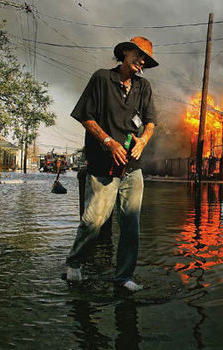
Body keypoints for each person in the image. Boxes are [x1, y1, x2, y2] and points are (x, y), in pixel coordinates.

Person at [65, 36, 158, 291]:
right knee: (94, 220)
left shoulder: (144, 87)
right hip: (103, 165)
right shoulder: (102, 78)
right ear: (125, 52)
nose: (142, 62)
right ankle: (74, 262)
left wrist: (143, 141)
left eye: (147, 60)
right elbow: (85, 116)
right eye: (140, 56)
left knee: (131, 224)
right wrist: (108, 142)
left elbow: (150, 122)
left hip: (132, 168)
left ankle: (124, 276)